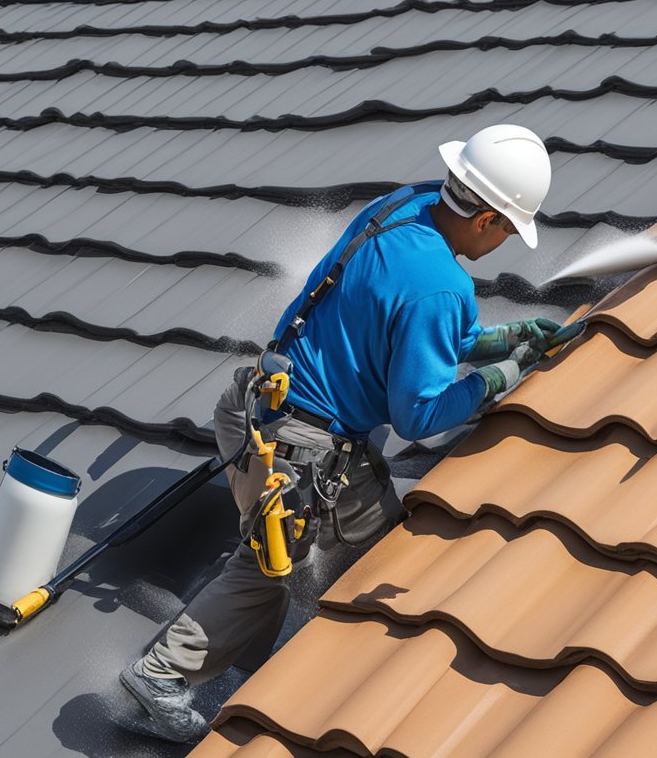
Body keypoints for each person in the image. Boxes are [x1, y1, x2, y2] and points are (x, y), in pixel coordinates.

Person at [119, 123, 578, 742]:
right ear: (489, 219)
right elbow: (417, 414)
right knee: (352, 561)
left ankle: (265, 658)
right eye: (510, 231)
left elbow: (404, 329)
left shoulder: (401, 206)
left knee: (276, 559)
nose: (506, 244)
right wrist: (499, 377)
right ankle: (167, 675)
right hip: (302, 452)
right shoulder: (442, 287)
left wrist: (498, 339)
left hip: (250, 403)